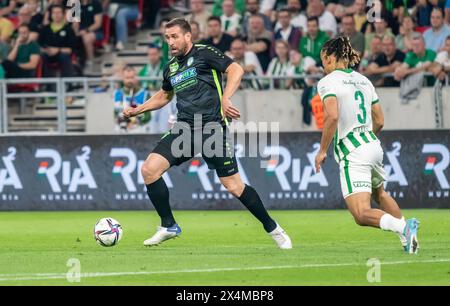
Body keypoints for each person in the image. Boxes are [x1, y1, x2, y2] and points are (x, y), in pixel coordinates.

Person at [122, 18, 292, 249]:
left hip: (212, 128)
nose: (170, 42)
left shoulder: (204, 53)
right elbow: (164, 95)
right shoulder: (170, 66)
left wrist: (225, 97)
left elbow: (236, 69)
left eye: (174, 36)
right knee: (149, 170)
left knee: (234, 186)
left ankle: (273, 228)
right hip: (184, 129)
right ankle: (168, 225)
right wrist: (138, 109)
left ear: (187, 36)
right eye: (167, 37)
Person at [315, 36, 420, 255]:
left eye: (323, 60)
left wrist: (322, 150)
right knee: (380, 194)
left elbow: (332, 117)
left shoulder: (328, 81)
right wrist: (366, 140)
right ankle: (408, 240)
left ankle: (404, 227)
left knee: (361, 214)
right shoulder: (363, 80)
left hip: (353, 151)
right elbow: (380, 120)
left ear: (330, 57)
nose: (323, 65)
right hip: (372, 144)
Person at [39, 5, 76, 78]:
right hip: (47, 54)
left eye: (58, 12)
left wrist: (58, 50)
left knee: (64, 56)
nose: (56, 15)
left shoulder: (69, 30)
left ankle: (67, 83)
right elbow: (39, 45)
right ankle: (48, 84)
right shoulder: (45, 29)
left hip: (61, 54)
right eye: (54, 13)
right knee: (41, 57)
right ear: (51, 15)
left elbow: (70, 49)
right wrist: (46, 50)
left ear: (63, 14)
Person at [114, 65, 151, 132]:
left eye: (132, 77)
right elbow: (115, 113)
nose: (130, 80)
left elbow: (148, 116)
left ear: (136, 78)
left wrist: (136, 121)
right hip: (121, 130)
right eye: (127, 78)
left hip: (139, 130)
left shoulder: (145, 94)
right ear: (123, 78)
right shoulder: (117, 93)